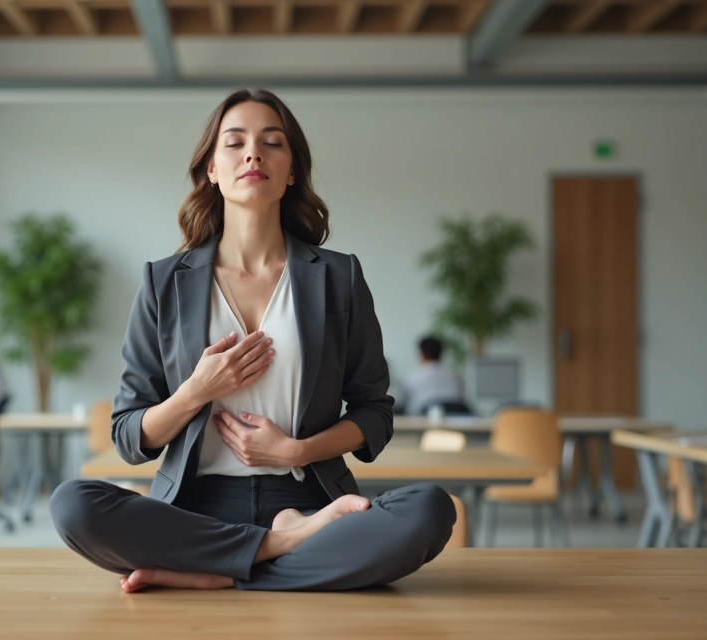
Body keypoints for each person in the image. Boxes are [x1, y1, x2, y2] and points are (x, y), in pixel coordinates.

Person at [49, 89, 455, 593]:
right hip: (196, 511)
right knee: (73, 504)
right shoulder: (163, 282)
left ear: (292, 171)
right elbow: (131, 436)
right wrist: (195, 391)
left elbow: (374, 413)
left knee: (429, 510)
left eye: (272, 142)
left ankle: (215, 569)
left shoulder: (338, 277)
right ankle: (279, 548)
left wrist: (296, 452)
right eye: (235, 142)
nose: (253, 154)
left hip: (308, 498)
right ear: (212, 170)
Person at [400, 336, 467, 416]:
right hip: (458, 416)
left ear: (422, 354)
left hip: (425, 418)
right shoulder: (455, 375)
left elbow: (407, 406)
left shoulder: (413, 378)